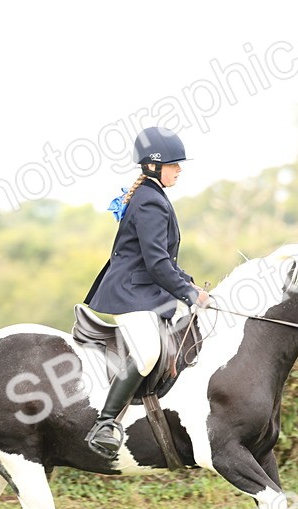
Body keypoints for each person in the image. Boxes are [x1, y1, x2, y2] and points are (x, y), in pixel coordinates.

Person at [82, 126, 210, 457]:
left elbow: (164, 260)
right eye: (173, 164)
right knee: (148, 351)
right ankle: (105, 424)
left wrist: (189, 283)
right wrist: (188, 294)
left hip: (146, 291)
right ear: (153, 166)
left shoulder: (153, 195)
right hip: (131, 293)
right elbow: (156, 263)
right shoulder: (150, 201)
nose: (179, 170)